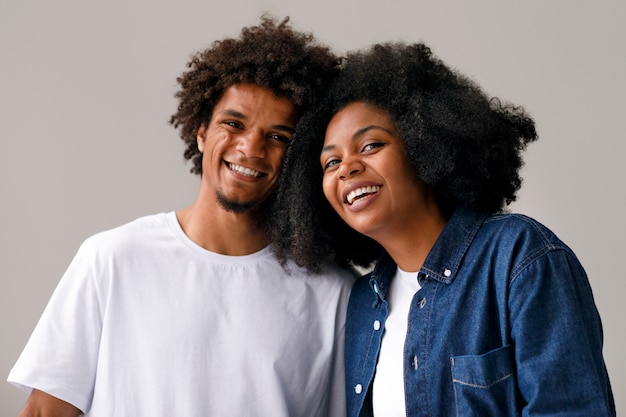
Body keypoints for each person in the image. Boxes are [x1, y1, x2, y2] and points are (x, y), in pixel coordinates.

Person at [8, 16, 356, 417]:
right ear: (201, 131)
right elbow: (44, 412)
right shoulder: (113, 258)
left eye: (278, 137)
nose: (251, 147)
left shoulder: (334, 293)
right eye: (234, 123)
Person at [269, 42, 616, 416]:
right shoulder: (363, 301)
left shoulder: (519, 258)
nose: (346, 168)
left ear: (424, 147)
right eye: (330, 161)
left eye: (370, 145)